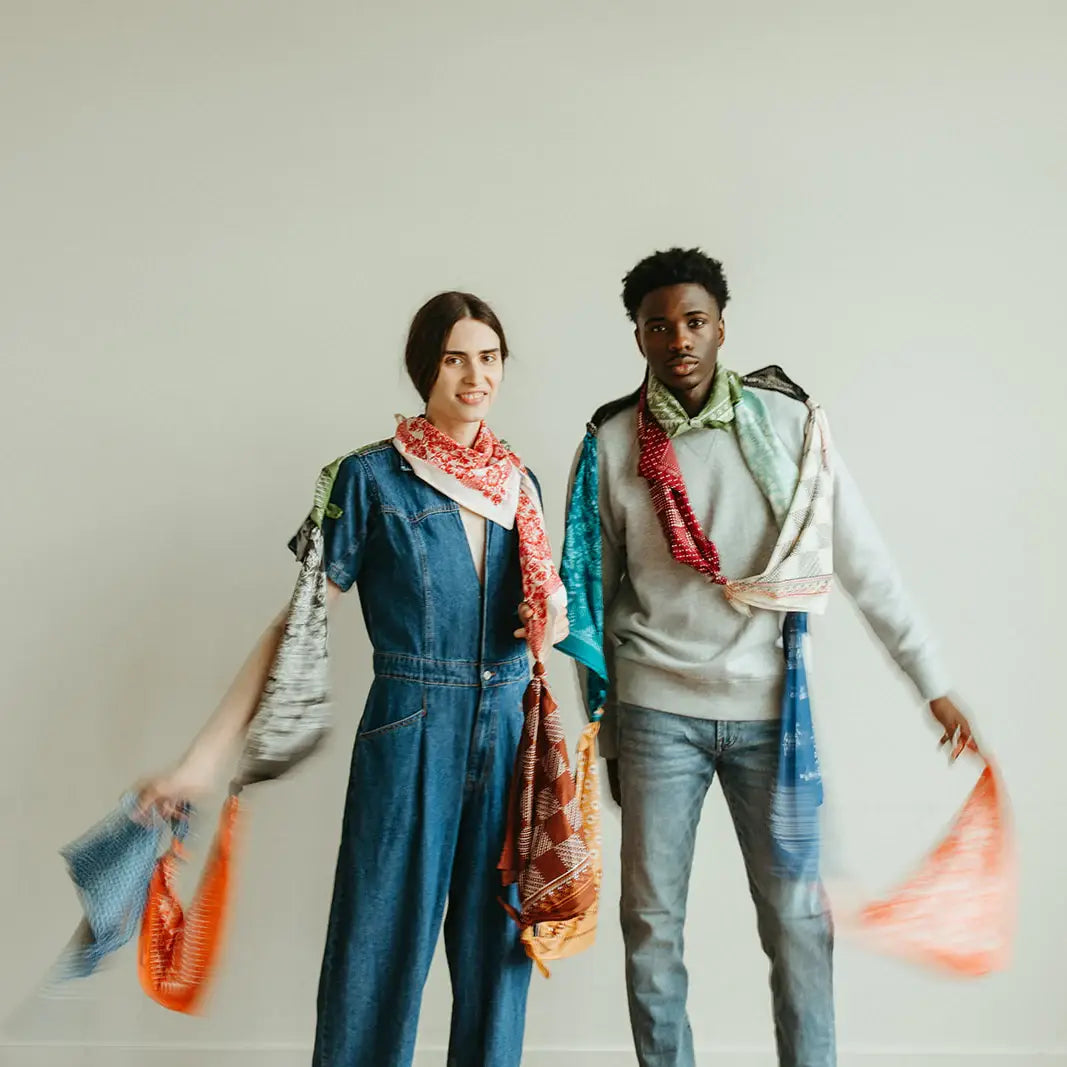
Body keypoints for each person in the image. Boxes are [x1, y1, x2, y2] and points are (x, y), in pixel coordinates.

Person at [559, 248, 977, 1067]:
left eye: (693, 321)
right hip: (654, 715)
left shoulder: (790, 424)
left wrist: (931, 682)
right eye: (657, 325)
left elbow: (862, 560)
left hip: (769, 717)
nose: (677, 338)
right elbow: (591, 598)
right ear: (636, 335)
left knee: (798, 922)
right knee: (649, 924)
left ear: (722, 325)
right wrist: (605, 732)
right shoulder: (610, 441)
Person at [136, 290, 566, 1067]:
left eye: (490, 357)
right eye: (455, 357)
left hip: (511, 730)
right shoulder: (366, 478)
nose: (476, 375)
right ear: (424, 367)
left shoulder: (521, 485)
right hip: (411, 721)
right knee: (377, 947)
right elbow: (290, 628)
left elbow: (553, 619)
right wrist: (199, 764)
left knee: (500, 946)